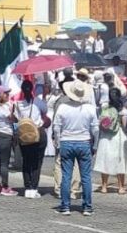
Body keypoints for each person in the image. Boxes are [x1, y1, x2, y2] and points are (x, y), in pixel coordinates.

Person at [53, 80, 98, 217]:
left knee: (66, 175)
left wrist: (57, 142)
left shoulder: (63, 107)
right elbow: (95, 129)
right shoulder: (90, 108)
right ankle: (87, 207)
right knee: (86, 176)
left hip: (66, 141)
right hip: (84, 142)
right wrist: (95, 145)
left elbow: (56, 127)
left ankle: (65, 205)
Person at [15, 80, 47, 199]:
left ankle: (27, 187)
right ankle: (34, 187)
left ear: (22, 90)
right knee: (37, 162)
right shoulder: (38, 102)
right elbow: (45, 111)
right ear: (32, 89)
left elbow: (17, 118)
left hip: (24, 134)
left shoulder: (18, 104)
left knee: (26, 161)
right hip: (38, 132)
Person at [93, 88, 127, 194]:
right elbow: (125, 125)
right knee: (120, 160)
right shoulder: (122, 109)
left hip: (105, 136)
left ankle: (104, 186)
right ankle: (121, 187)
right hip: (118, 135)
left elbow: (100, 121)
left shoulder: (104, 107)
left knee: (105, 160)